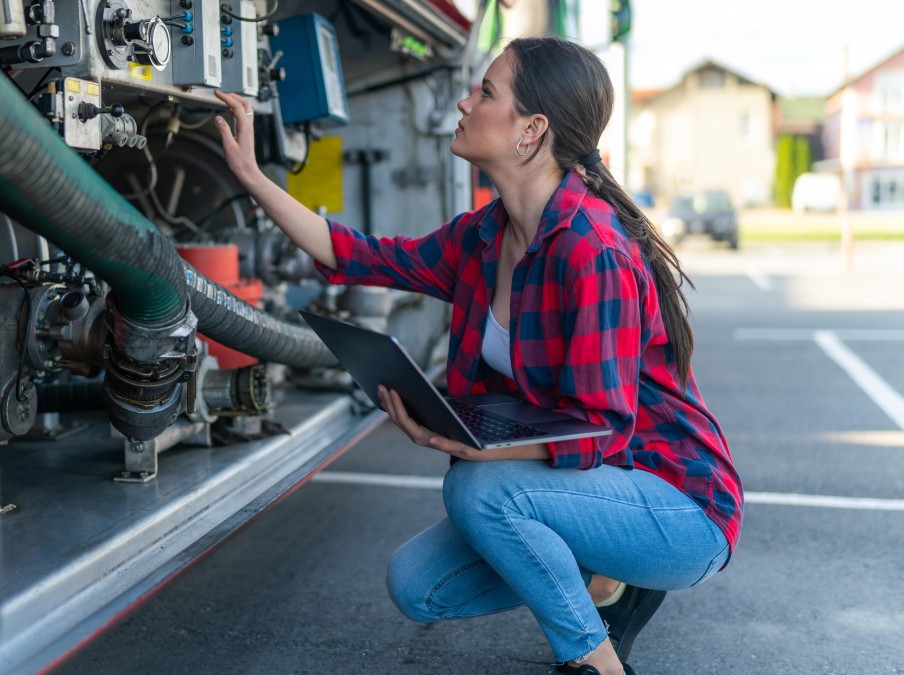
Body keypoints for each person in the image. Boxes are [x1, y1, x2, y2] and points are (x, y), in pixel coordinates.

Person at [213, 35, 742, 675]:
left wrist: (472, 446)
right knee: (417, 585)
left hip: (676, 506)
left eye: (485, 91)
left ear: (531, 130)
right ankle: (605, 581)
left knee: (479, 488)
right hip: (586, 493)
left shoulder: (591, 250)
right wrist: (250, 176)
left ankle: (596, 662)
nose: (465, 102)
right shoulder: (485, 235)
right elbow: (358, 255)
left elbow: (600, 431)